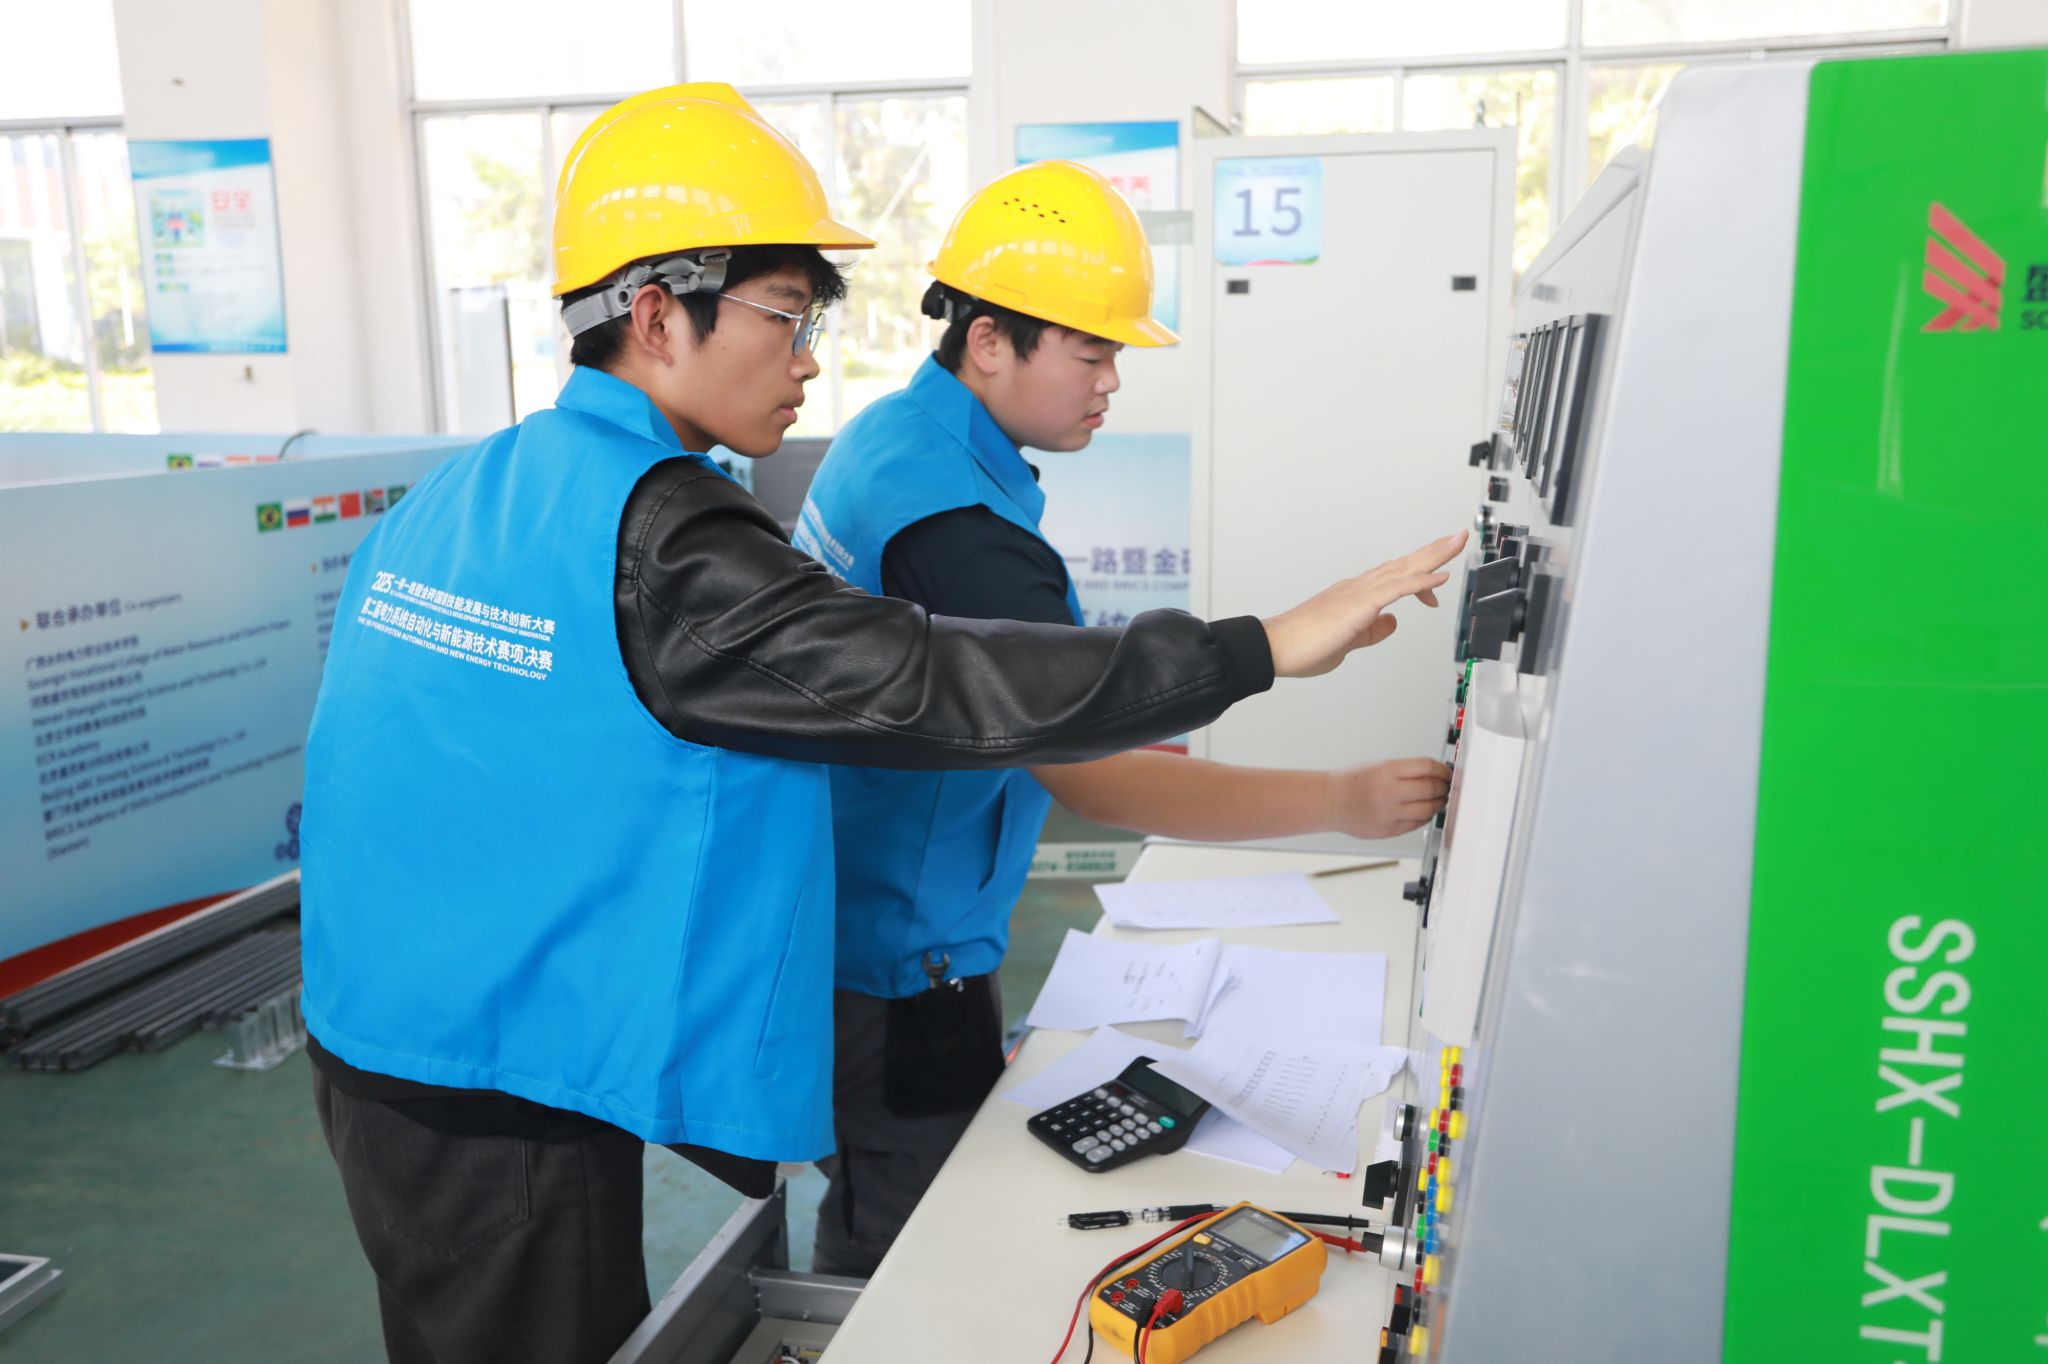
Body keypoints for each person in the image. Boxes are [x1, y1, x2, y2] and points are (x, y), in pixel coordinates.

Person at [299, 86, 1462, 1364]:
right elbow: (926, 680)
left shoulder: (483, 481)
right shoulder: (662, 532)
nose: (806, 359)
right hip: (496, 1069)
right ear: (655, 314)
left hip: (390, 1023)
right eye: (785, 316)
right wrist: (1258, 647)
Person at [793, 160, 1453, 1277]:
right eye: (1090, 352)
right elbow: (1091, 771)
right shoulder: (957, 527)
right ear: (989, 340)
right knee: (911, 1258)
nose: (1110, 382)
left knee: (890, 1200)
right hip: (897, 960)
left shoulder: (896, 438)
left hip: (857, 912)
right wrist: (1339, 798)